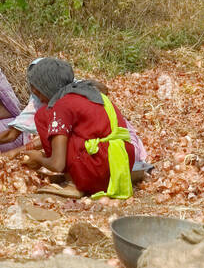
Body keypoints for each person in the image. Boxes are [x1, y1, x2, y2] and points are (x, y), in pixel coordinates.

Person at [16, 57, 136, 198]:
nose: (40, 99)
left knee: (42, 115)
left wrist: (38, 158)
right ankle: (81, 177)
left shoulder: (62, 105)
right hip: (122, 164)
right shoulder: (88, 92)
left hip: (100, 166)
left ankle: (74, 184)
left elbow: (57, 164)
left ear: (48, 87)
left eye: (39, 93)